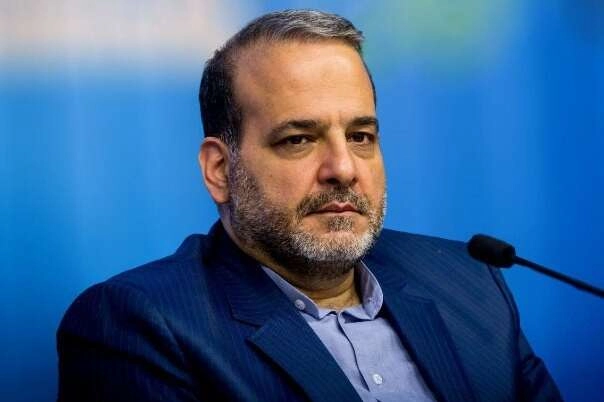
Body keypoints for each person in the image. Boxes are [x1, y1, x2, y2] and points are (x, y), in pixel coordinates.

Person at [57, 9, 563, 402]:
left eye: (361, 136)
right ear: (220, 170)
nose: (343, 168)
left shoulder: (470, 283)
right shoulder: (140, 324)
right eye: (298, 139)